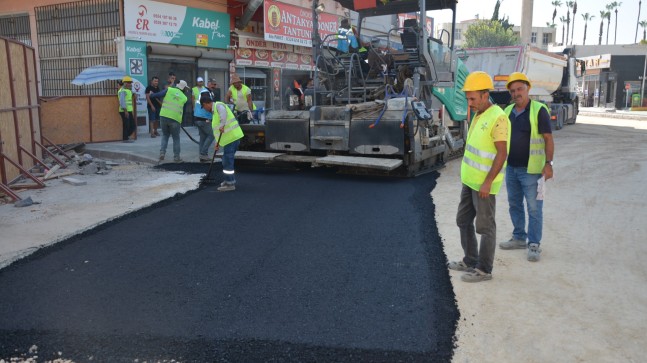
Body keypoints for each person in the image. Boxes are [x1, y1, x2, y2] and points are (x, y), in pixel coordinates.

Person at [447, 71, 510, 283]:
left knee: (485, 227)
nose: (470, 103)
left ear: (485, 95)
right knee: (462, 220)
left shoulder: (498, 117)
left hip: (484, 184)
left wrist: (488, 181)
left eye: (473, 98)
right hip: (470, 181)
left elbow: (502, 153)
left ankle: (484, 269)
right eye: (468, 98)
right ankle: (470, 259)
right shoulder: (479, 114)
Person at [498, 72, 554, 262]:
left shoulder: (539, 110)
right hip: (512, 169)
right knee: (514, 205)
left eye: (520, 89)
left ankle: (534, 244)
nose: (516, 94)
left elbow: (548, 138)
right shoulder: (507, 112)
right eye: (512, 91)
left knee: (534, 208)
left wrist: (549, 164)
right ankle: (519, 237)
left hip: (532, 171)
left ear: (528, 89)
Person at [199, 94, 244, 192]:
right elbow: (217, 131)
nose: (204, 109)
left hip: (232, 138)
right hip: (228, 140)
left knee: (227, 160)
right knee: (226, 160)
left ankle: (230, 183)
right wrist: (217, 143)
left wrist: (222, 124)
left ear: (206, 104)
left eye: (204, 107)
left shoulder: (219, 105)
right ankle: (228, 180)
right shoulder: (214, 113)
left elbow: (224, 114)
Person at [149, 80, 189, 162]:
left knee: (165, 135)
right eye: (185, 88)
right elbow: (184, 112)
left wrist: (151, 94)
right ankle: (176, 157)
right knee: (176, 138)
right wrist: (180, 121)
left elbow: (157, 95)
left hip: (164, 116)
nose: (186, 89)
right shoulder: (185, 98)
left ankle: (162, 153)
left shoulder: (169, 90)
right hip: (175, 119)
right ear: (183, 87)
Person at [193, 78, 215, 162]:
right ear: (208, 84)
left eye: (215, 84)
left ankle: (202, 157)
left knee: (203, 137)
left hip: (198, 117)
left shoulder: (206, 91)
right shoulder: (205, 92)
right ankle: (203, 153)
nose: (214, 86)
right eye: (213, 84)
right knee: (211, 135)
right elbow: (206, 105)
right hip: (203, 118)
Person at [117, 76, 135, 142]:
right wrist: (125, 111)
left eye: (130, 83)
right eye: (129, 82)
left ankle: (126, 136)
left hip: (128, 111)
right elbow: (122, 101)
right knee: (126, 125)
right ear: (125, 83)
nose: (130, 84)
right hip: (124, 111)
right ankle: (125, 138)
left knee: (132, 125)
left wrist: (134, 93)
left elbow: (131, 93)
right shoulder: (122, 91)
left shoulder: (128, 90)